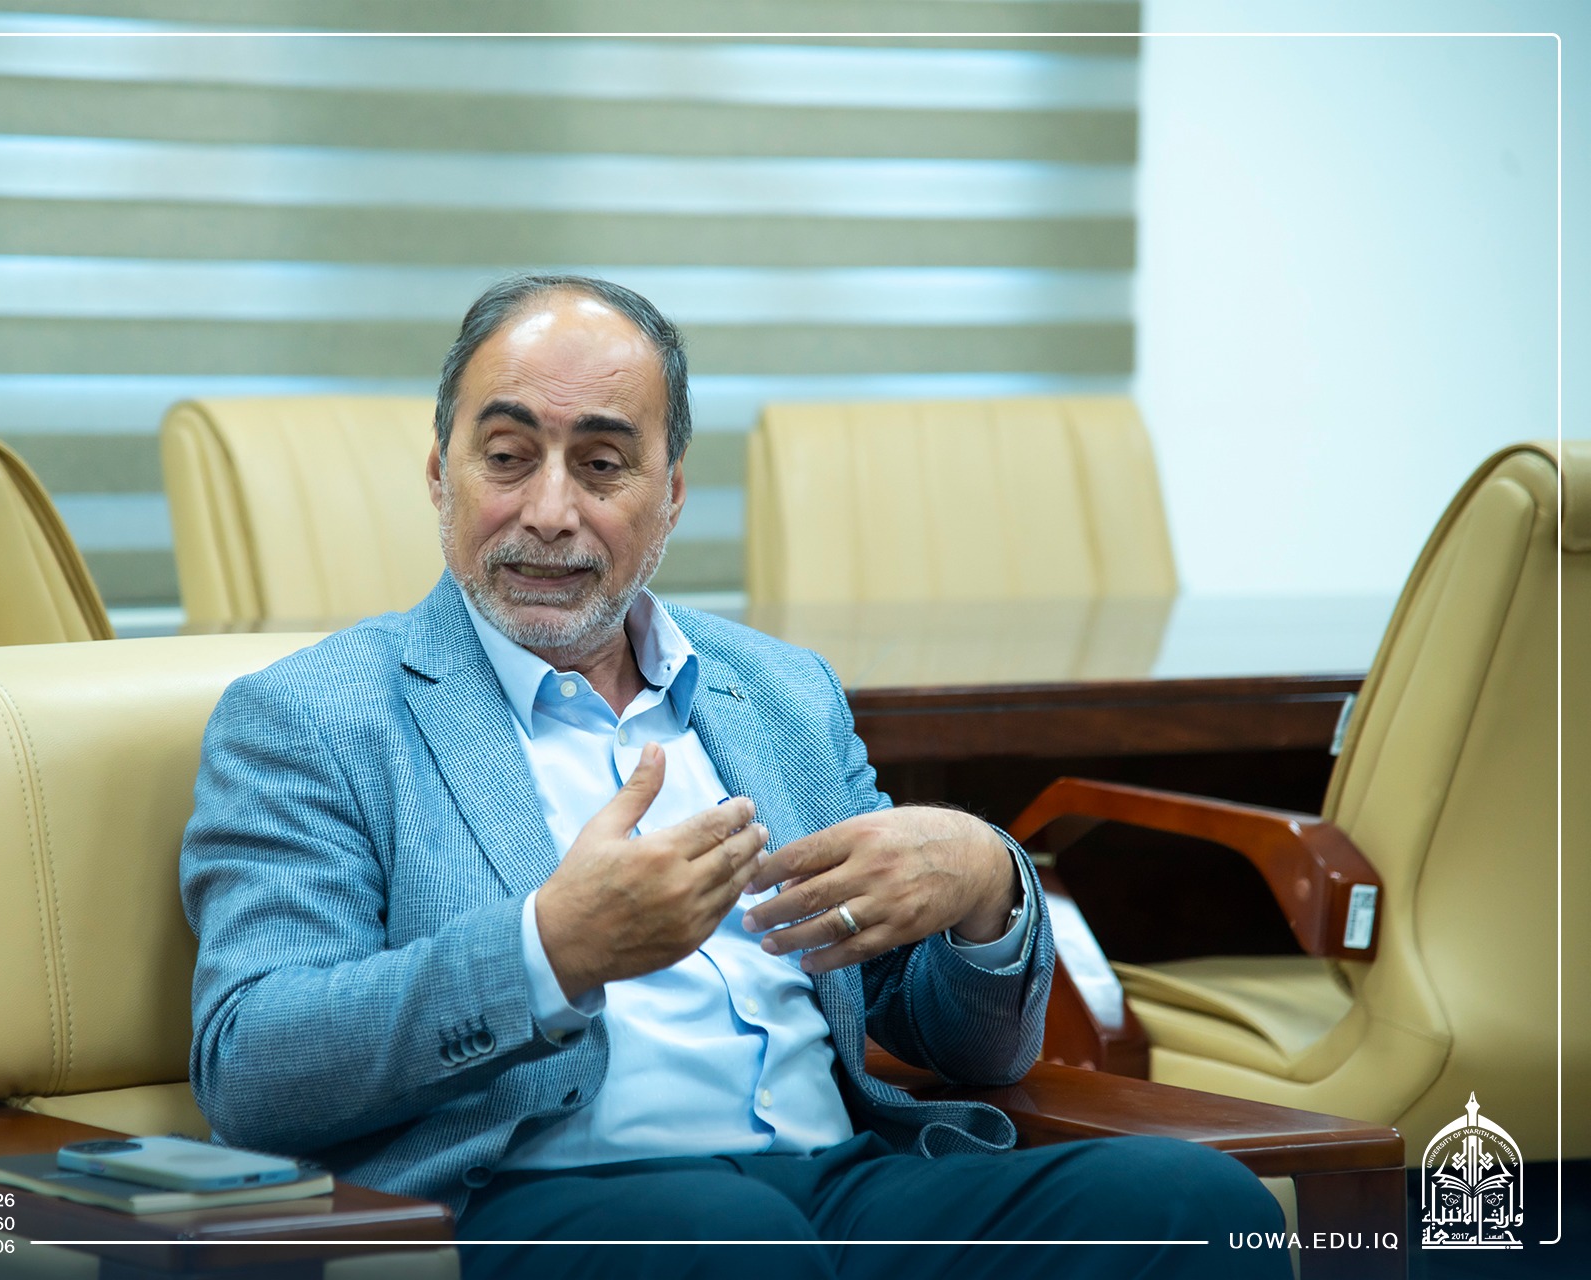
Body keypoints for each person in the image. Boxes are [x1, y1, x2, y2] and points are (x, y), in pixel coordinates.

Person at [180, 274, 1286, 1278]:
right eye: (508, 457)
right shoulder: (317, 716)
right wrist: (550, 948)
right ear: (441, 477)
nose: (550, 511)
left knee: (1199, 1206)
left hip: (843, 1187)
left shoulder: (780, 690)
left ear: (670, 497)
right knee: (729, 1241)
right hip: (552, 1200)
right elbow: (254, 1066)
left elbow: (970, 1048)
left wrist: (984, 885)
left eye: (602, 465)